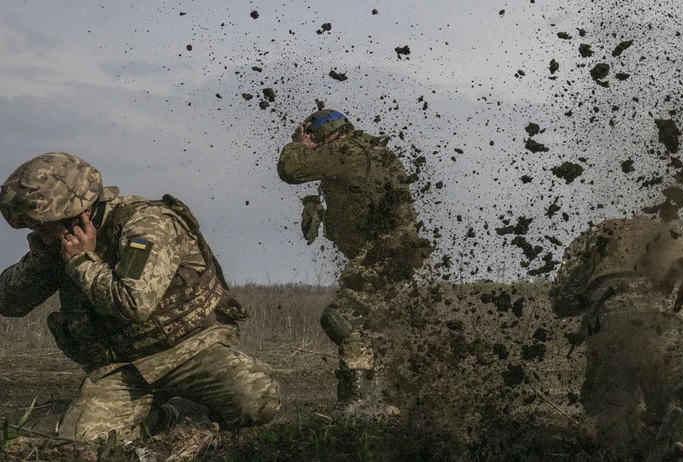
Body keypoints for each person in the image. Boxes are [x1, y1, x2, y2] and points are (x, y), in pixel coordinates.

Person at [0, 152, 280, 442]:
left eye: (43, 226)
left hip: (191, 349)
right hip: (124, 367)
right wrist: (44, 257)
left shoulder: (146, 224)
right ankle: (162, 417)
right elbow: (9, 302)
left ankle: (193, 413)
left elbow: (134, 303)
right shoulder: (61, 243)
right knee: (84, 442)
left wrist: (82, 262)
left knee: (257, 400)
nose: (40, 234)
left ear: (77, 214)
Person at [277, 109, 433, 416]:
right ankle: (387, 402)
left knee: (341, 318)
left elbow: (290, 169)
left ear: (325, 135)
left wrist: (298, 143)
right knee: (373, 328)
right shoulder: (372, 150)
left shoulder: (345, 150)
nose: (315, 145)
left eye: (314, 138)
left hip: (384, 254)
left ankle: (359, 400)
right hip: (395, 254)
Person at [549, 216, 683, 459]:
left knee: (613, 423)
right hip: (669, 331)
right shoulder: (676, 236)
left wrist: (587, 301)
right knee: (678, 418)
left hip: (611, 327)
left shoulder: (599, 234)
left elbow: (562, 298)